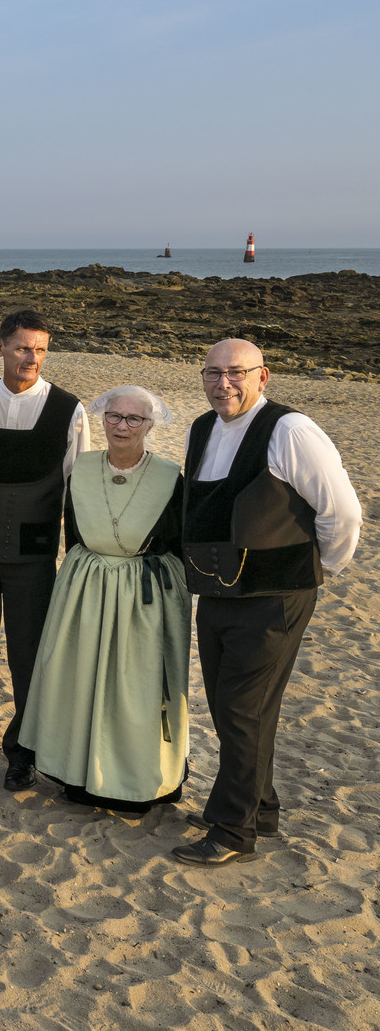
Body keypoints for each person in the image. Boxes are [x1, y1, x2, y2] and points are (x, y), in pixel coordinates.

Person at [173, 339, 361, 867]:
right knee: (235, 705)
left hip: (275, 595)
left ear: (264, 376)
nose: (223, 383)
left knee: (241, 709)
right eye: (212, 373)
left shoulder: (290, 429)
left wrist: (319, 569)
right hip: (217, 589)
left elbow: (342, 512)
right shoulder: (202, 428)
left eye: (236, 373)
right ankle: (260, 807)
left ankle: (233, 831)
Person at [18, 386, 189, 812]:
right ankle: (77, 774)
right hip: (86, 589)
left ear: (149, 426)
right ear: (103, 419)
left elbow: (176, 543)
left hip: (141, 599)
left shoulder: (170, 476)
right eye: (114, 416)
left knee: (136, 688)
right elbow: (72, 530)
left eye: (134, 419)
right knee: (78, 679)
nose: (122, 426)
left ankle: (132, 781)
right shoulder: (82, 468)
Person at [0, 308, 90, 790]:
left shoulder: (70, 409)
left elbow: (78, 486)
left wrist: (75, 556)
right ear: (1, 347)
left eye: (40, 349)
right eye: (23, 347)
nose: (32, 358)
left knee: (30, 654)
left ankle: (23, 749)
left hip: (35, 555)